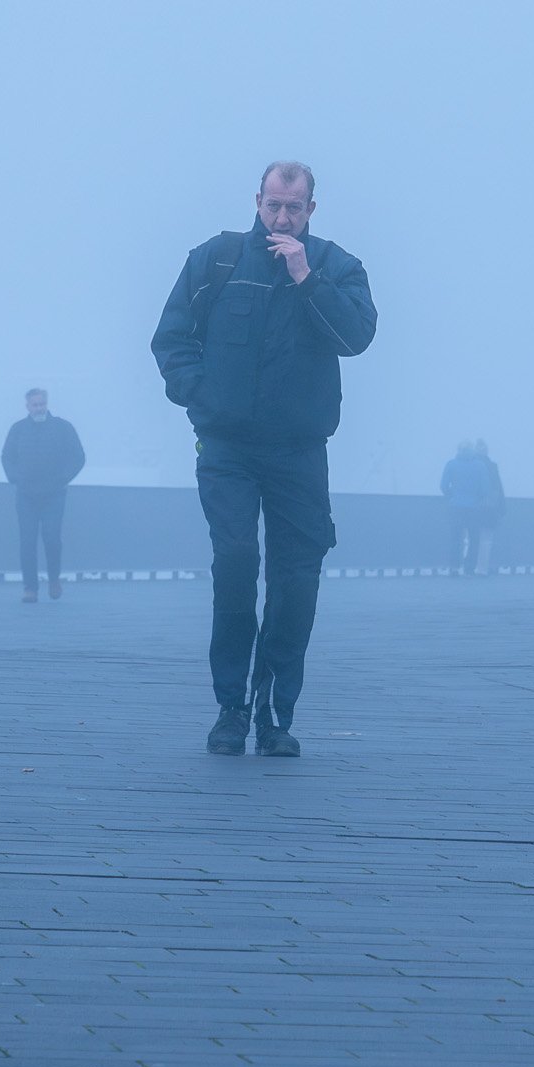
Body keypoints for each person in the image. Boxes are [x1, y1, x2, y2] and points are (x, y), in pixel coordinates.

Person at [151, 161, 377, 758]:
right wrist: (198, 394)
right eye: (273, 206)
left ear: (311, 211)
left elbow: (356, 339)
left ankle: (277, 715)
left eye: (294, 209)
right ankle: (231, 708)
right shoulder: (216, 260)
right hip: (227, 446)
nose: (282, 218)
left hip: (300, 451)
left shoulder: (336, 266)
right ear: (257, 201)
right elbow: (171, 339)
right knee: (234, 559)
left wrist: (308, 279)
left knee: (296, 579)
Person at [2, 387, 86, 602]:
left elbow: (78, 457)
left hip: (54, 495)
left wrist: (62, 478)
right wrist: (15, 478)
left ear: (46, 404)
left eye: (42, 404)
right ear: (27, 406)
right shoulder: (18, 429)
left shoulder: (63, 428)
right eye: (35, 404)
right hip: (26, 495)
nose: (39, 408)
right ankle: (30, 589)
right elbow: (7, 457)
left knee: (52, 539)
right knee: (27, 542)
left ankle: (54, 579)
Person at [440, 440, 497, 575]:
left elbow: (443, 486)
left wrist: (452, 497)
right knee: (474, 538)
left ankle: (454, 566)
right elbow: (485, 489)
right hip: (474, 508)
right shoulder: (480, 466)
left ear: (458, 450)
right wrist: (477, 499)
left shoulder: (451, 464)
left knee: (456, 537)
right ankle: (469, 567)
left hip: (456, 507)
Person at [473, 438, 507, 573]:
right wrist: (502, 506)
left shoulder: (471, 465)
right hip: (489, 507)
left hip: (473, 506)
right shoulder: (492, 466)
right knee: (486, 539)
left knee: (471, 537)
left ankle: (469, 567)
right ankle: (482, 568)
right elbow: (499, 487)